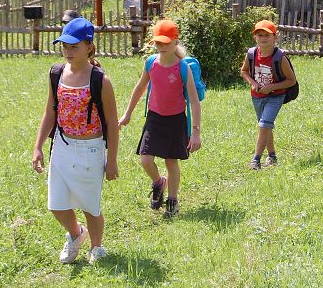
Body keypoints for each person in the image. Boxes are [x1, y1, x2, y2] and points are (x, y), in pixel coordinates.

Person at [32, 17, 120, 265]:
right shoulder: (56, 74)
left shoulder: (100, 80)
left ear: (89, 47)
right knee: (56, 204)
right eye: (64, 46)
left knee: (90, 205)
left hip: (90, 149)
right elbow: (50, 112)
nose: (68, 52)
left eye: (74, 47)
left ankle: (97, 247)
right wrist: (38, 146)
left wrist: (112, 160)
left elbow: (112, 123)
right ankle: (75, 234)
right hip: (62, 145)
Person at [119, 19, 201, 218]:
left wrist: (196, 132)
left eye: (166, 42)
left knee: (171, 162)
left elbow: (194, 102)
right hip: (155, 118)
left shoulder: (183, 68)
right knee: (145, 159)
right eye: (158, 42)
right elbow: (140, 88)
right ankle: (158, 183)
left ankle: (172, 200)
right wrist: (127, 114)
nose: (162, 46)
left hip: (175, 120)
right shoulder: (151, 63)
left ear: (175, 42)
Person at [240, 20, 297, 170]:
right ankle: (272, 156)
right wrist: (253, 83)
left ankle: (255, 160)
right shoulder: (251, 54)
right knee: (265, 126)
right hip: (257, 96)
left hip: (276, 96)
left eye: (267, 35)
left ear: (275, 37)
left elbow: (291, 80)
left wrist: (272, 87)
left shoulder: (280, 57)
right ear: (255, 37)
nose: (263, 38)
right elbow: (244, 71)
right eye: (260, 35)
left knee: (264, 124)